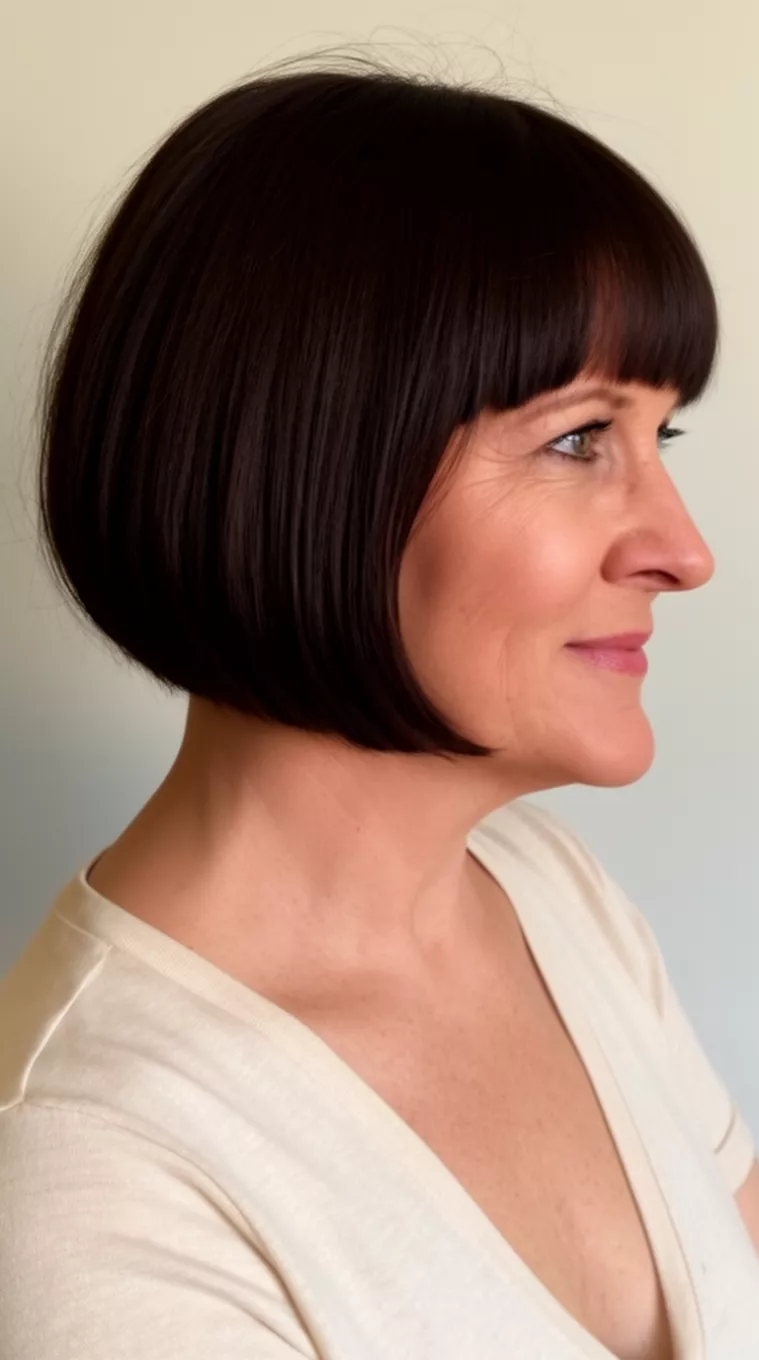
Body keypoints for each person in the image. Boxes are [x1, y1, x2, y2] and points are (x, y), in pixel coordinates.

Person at [1, 51, 758, 1360]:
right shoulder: (92, 1174)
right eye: (581, 439)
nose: (683, 549)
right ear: (314, 464)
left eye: (660, 439)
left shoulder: (549, 897)